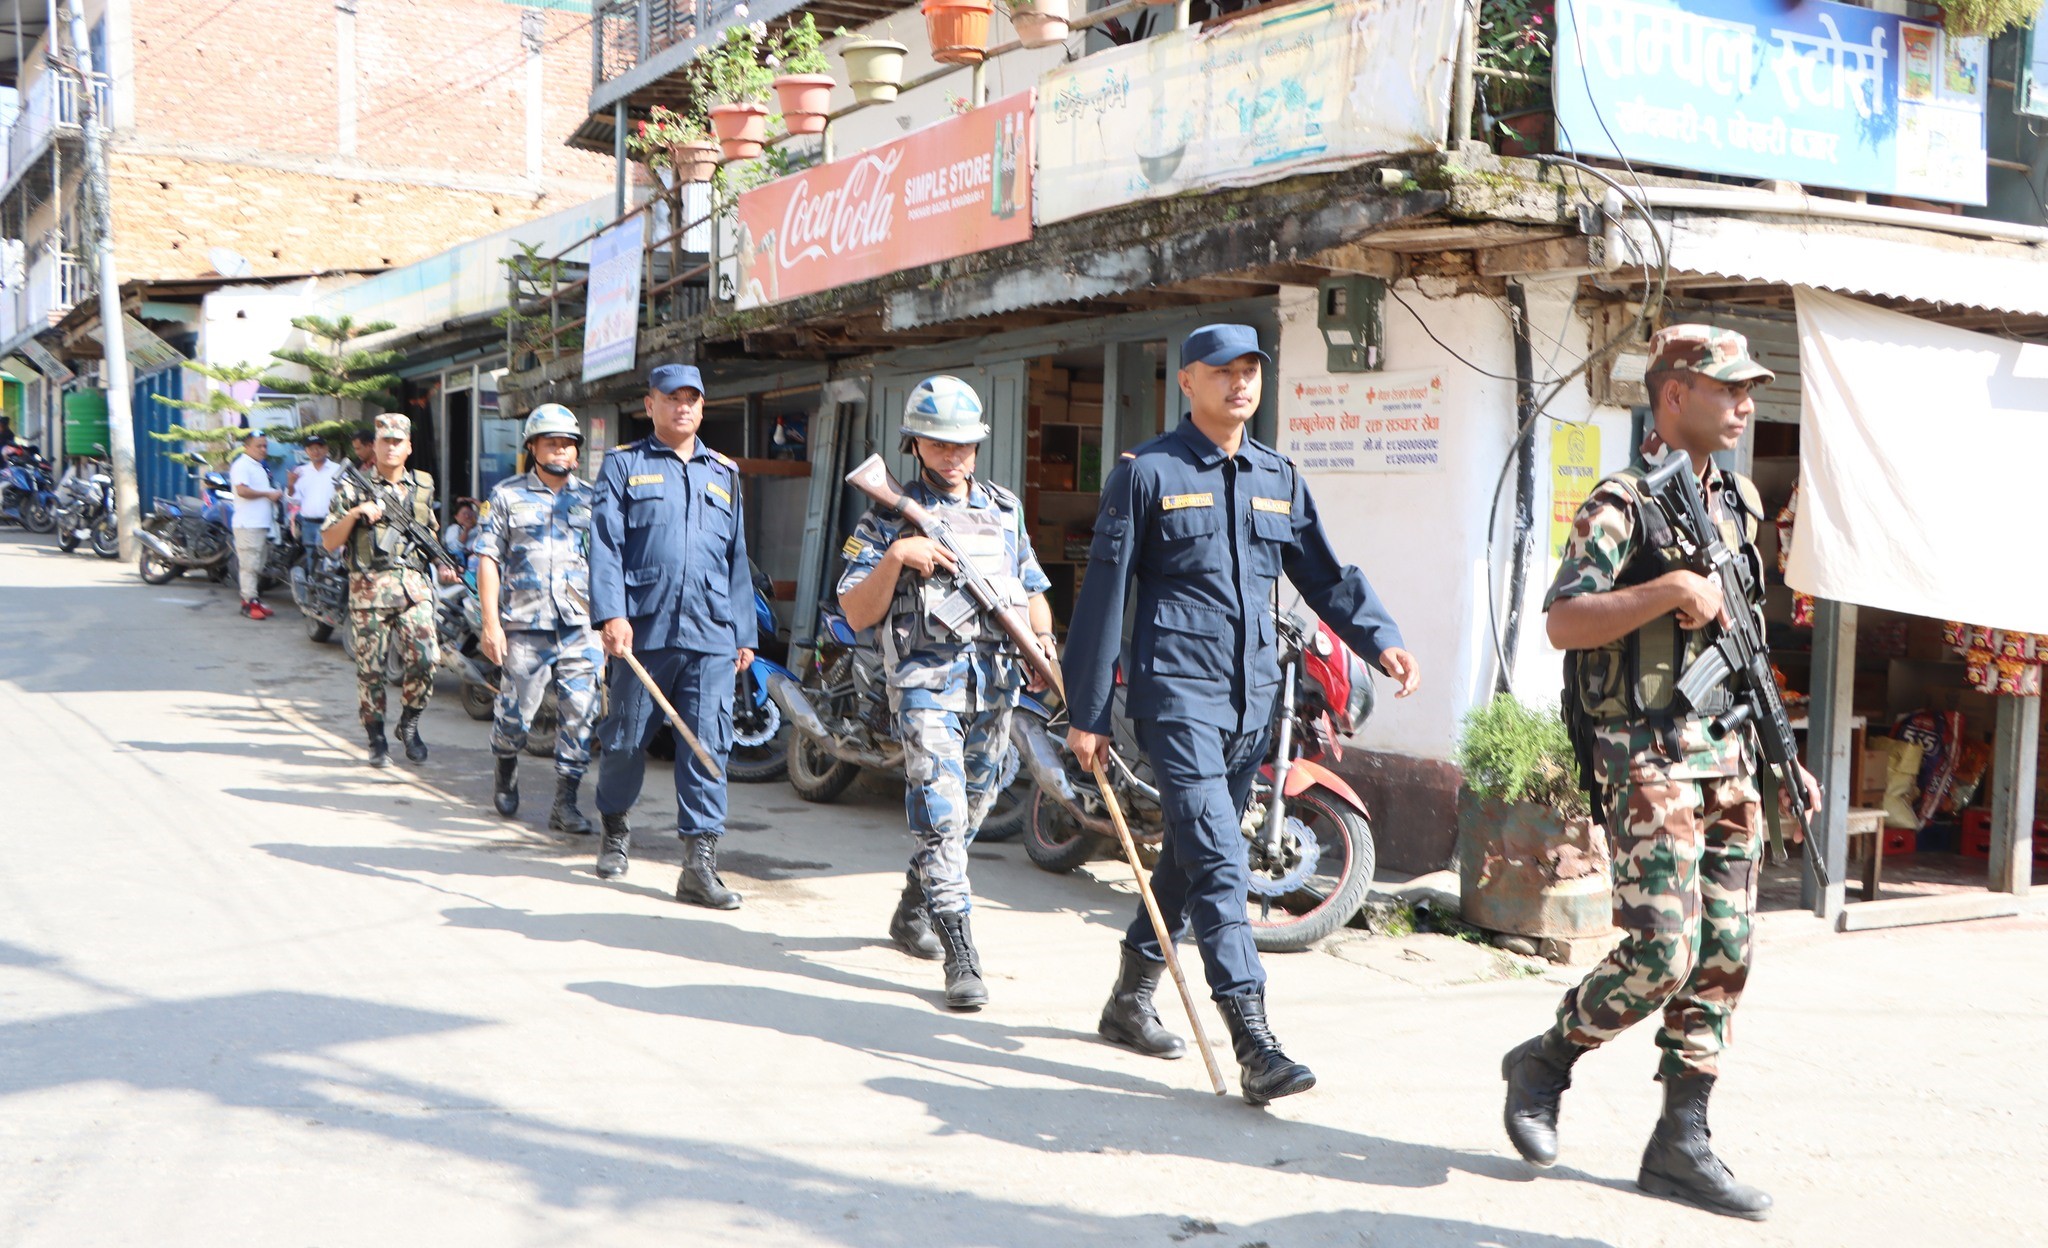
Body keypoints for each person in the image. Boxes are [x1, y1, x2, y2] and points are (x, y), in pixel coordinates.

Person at [1499, 324, 1820, 1222]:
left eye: (1752, 389)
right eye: (1729, 389)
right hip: (1645, 755)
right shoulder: (1623, 502)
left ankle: (1681, 1141)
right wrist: (1670, 591)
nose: (1746, 405)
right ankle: (1546, 1059)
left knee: (1724, 954)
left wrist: (1786, 760)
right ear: (1673, 394)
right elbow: (1565, 623)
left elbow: (1748, 647)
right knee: (1661, 952)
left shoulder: (1742, 506)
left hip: (1730, 759)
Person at [1063, 324, 1419, 1106]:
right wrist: (1085, 710)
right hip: (1175, 698)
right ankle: (1254, 1039)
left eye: (1251, 369)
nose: (1240, 383)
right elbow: (1104, 595)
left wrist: (1380, 639)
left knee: (1189, 860)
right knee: (1223, 861)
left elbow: (1324, 574)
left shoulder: (1277, 477)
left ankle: (1129, 997)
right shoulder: (1147, 474)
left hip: (1253, 700)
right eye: (1222, 371)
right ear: (1186, 381)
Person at [836, 376, 1056, 1010]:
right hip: (925, 684)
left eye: (963, 444)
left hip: (995, 683)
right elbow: (854, 611)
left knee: (975, 807)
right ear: (914, 444)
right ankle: (960, 951)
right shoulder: (887, 515)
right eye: (938, 443)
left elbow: (1031, 587)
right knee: (941, 811)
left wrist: (1044, 646)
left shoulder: (1004, 507)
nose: (952, 456)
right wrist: (897, 556)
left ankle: (913, 907)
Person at [589, 363, 756, 905]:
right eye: (671, 397)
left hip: (710, 632)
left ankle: (699, 865)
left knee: (708, 745)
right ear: (650, 405)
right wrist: (611, 614)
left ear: (703, 408)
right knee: (625, 739)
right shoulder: (623, 465)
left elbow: (736, 559)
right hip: (644, 629)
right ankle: (615, 828)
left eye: (692, 398)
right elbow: (606, 546)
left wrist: (743, 632)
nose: (683, 406)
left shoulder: (723, 472)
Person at [477, 405, 602, 835]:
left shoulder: (593, 499)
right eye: (552, 442)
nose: (561, 451)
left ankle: (565, 803)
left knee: (582, 713)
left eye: (568, 444)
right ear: (532, 447)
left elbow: (608, 563)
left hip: (580, 625)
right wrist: (491, 624)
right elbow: (488, 560)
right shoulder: (506, 496)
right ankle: (505, 764)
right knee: (515, 714)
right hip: (525, 623)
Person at [323, 413, 449, 768]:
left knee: (426, 658)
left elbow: (429, 532)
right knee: (371, 671)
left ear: (408, 447)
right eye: (385, 441)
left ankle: (409, 724)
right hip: (369, 592)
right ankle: (376, 737)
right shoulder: (352, 488)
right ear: (374, 446)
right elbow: (329, 541)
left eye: (398, 441)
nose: (391, 447)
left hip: (413, 589)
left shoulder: (423, 485)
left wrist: (441, 561)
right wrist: (355, 514)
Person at [228, 429, 283, 620]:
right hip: (247, 525)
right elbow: (242, 490)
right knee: (249, 566)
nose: (263, 449)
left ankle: (254, 600)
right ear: (246, 447)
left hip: (260, 524)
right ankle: (248, 603)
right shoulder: (242, 465)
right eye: (258, 446)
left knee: (257, 565)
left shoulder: (259, 466)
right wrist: (268, 494)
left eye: (265, 445)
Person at [287, 434, 344, 556]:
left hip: (331, 524)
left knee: (331, 562)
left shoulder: (338, 469)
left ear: (326, 449)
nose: (315, 451)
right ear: (306, 451)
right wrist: (291, 485)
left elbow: (347, 495)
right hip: (308, 524)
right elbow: (294, 501)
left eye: (319, 447)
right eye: (311, 448)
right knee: (311, 561)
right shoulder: (300, 472)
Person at [442, 499, 481, 564]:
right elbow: (453, 549)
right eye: (464, 513)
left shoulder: (479, 528)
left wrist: (472, 500)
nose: (467, 516)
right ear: (456, 517)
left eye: (469, 513)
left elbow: (489, 512)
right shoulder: (453, 529)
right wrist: (466, 530)